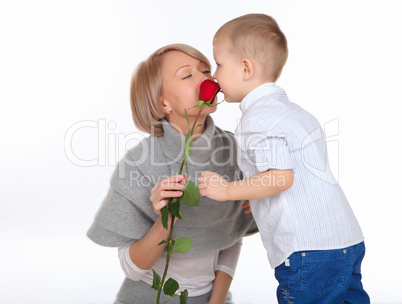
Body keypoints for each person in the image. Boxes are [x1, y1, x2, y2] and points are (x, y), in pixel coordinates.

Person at [198, 14, 370, 303]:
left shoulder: (258, 120)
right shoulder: (296, 113)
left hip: (308, 250)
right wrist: (257, 196)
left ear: (245, 68)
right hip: (346, 240)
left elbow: (280, 178)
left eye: (219, 64)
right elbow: (300, 175)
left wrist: (228, 189)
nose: (214, 76)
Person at [87, 43, 257, 304]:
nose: (206, 79)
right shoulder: (137, 165)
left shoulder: (236, 151)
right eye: (187, 75)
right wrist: (164, 220)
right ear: (162, 102)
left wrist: (217, 300)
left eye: (206, 70)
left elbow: (231, 235)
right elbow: (131, 268)